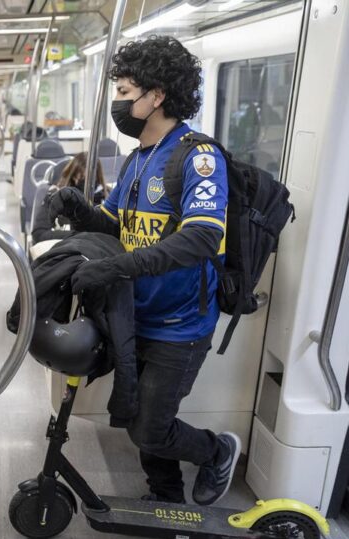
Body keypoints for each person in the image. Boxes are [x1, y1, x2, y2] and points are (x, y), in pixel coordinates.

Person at [49, 36, 240, 506]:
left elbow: (199, 237)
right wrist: (81, 210)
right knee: (142, 415)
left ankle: (217, 451)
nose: (118, 102)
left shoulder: (197, 157)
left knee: (150, 426)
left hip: (181, 321)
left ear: (156, 96)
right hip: (137, 314)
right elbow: (117, 223)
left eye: (125, 91)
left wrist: (119, 267)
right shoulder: (138, 160)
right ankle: (167, 491)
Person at [31, 152, 108, 245]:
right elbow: (39, 233)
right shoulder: (56, 196)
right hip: (66, 249)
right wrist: (78, 236)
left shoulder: (108, 199)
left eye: (90, 179)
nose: (85, 185)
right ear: (73, 176)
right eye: (81, 179)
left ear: (97, 177)